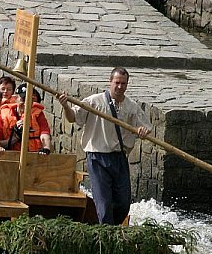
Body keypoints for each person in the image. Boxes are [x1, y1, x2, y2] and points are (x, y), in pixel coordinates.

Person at [58, 67, 151, 225]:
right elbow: (73, 117)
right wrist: (66, 106)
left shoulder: (131, 106)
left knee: (123, 203)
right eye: (117, 83)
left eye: (123, 83)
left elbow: (145, 128)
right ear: (110, 82)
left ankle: (109, 229)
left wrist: (142, 132)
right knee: (104, 203)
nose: (120, 87)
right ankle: (106, 231)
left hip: (119, 157)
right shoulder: (94, 101)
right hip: (97, 157)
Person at [0, 83, 51, 154]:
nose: (26, 103)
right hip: (10, 155)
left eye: (30, 100)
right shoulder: (3, 115)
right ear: (15, 98)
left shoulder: (38, 114)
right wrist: (16, 136)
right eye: (23, 99)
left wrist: (46, 148)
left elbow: (45, 132)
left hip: (32, 155)